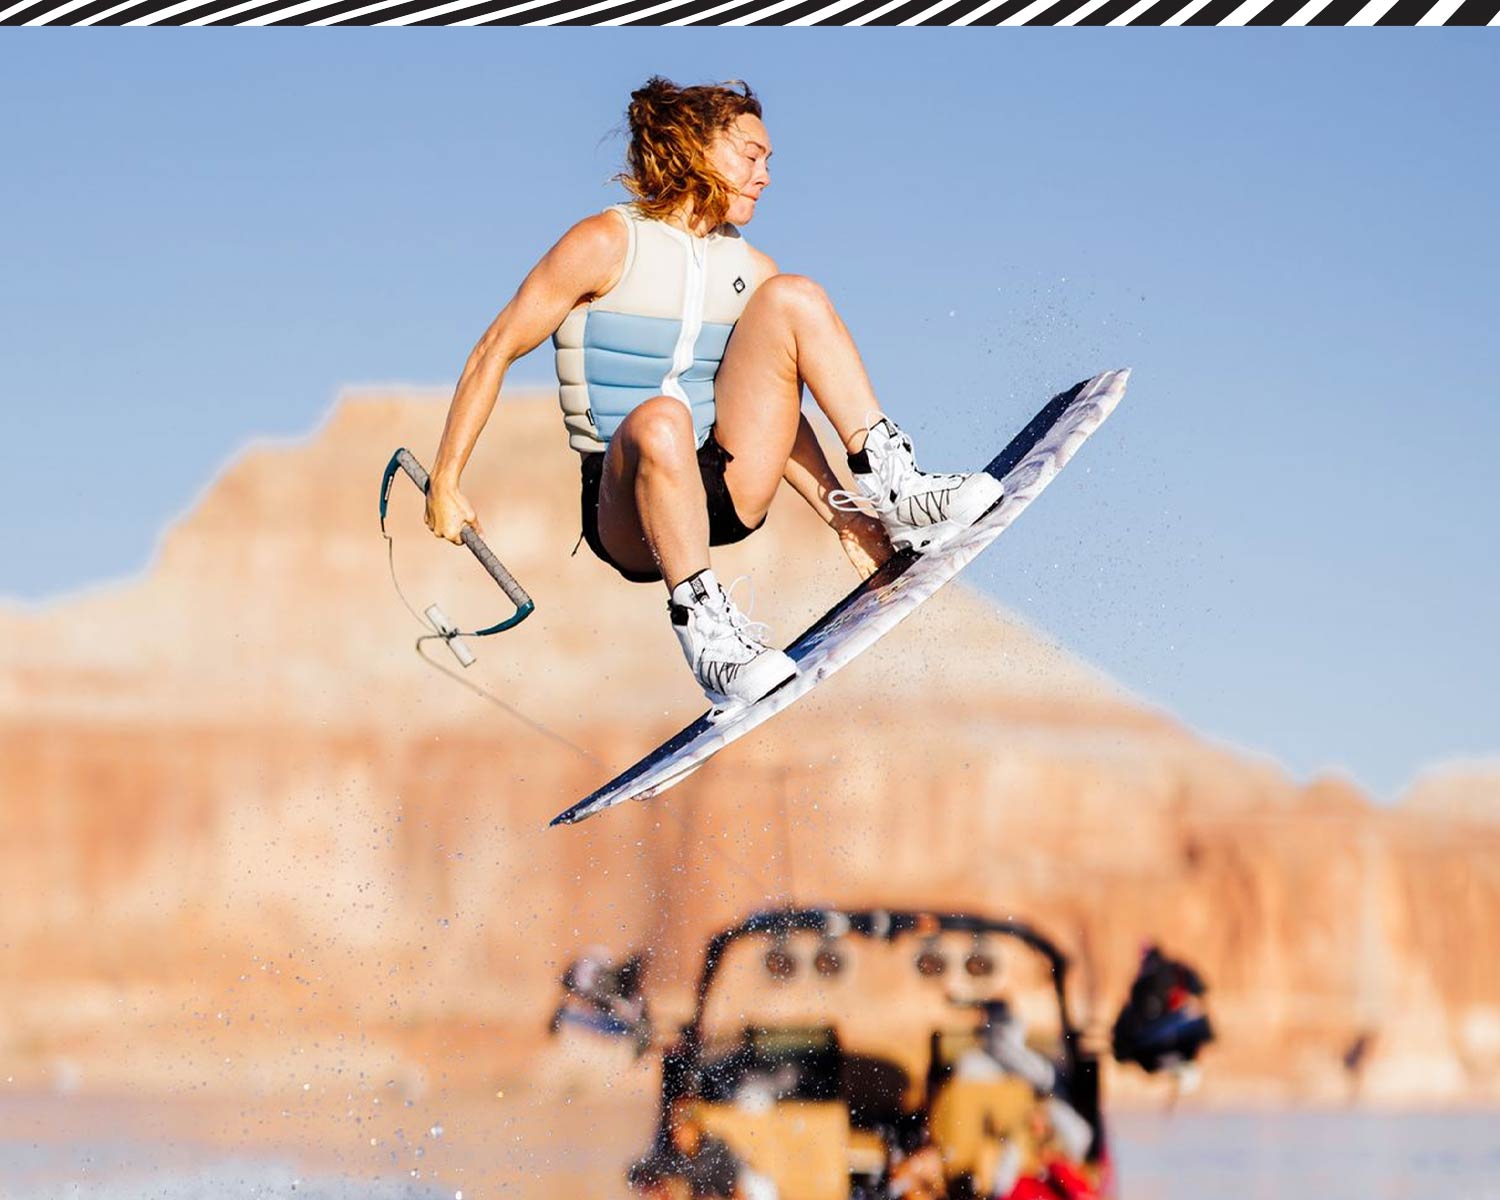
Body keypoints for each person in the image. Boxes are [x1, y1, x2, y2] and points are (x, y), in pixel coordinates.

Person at [425, 77, 1003, 707]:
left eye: (769, 161)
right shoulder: (605, 243)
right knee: (663, 418)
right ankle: (710, 639)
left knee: (795, 298)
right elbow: (495, 350)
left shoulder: (751, 270)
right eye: (751, 155)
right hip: (628, 508)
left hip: (726, 487)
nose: (766, 175)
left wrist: (847, 522)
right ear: (695, 150)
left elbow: (777, 417)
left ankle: (896, 488)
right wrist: (446, 481)